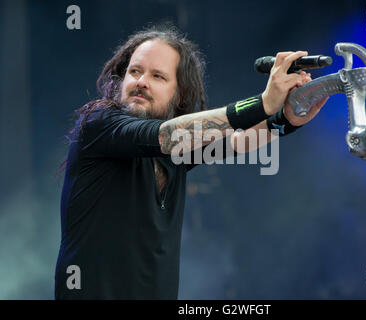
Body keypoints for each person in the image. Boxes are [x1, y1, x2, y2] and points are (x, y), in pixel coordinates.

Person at [55, 24, 328, 299]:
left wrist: (286, 120)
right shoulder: (98, 123)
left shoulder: (177, 151)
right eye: (135, 71)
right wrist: (264, 102)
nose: (141, 81)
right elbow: (165, 135)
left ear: (180, 94)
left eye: (158, 76)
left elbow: (235, 142)